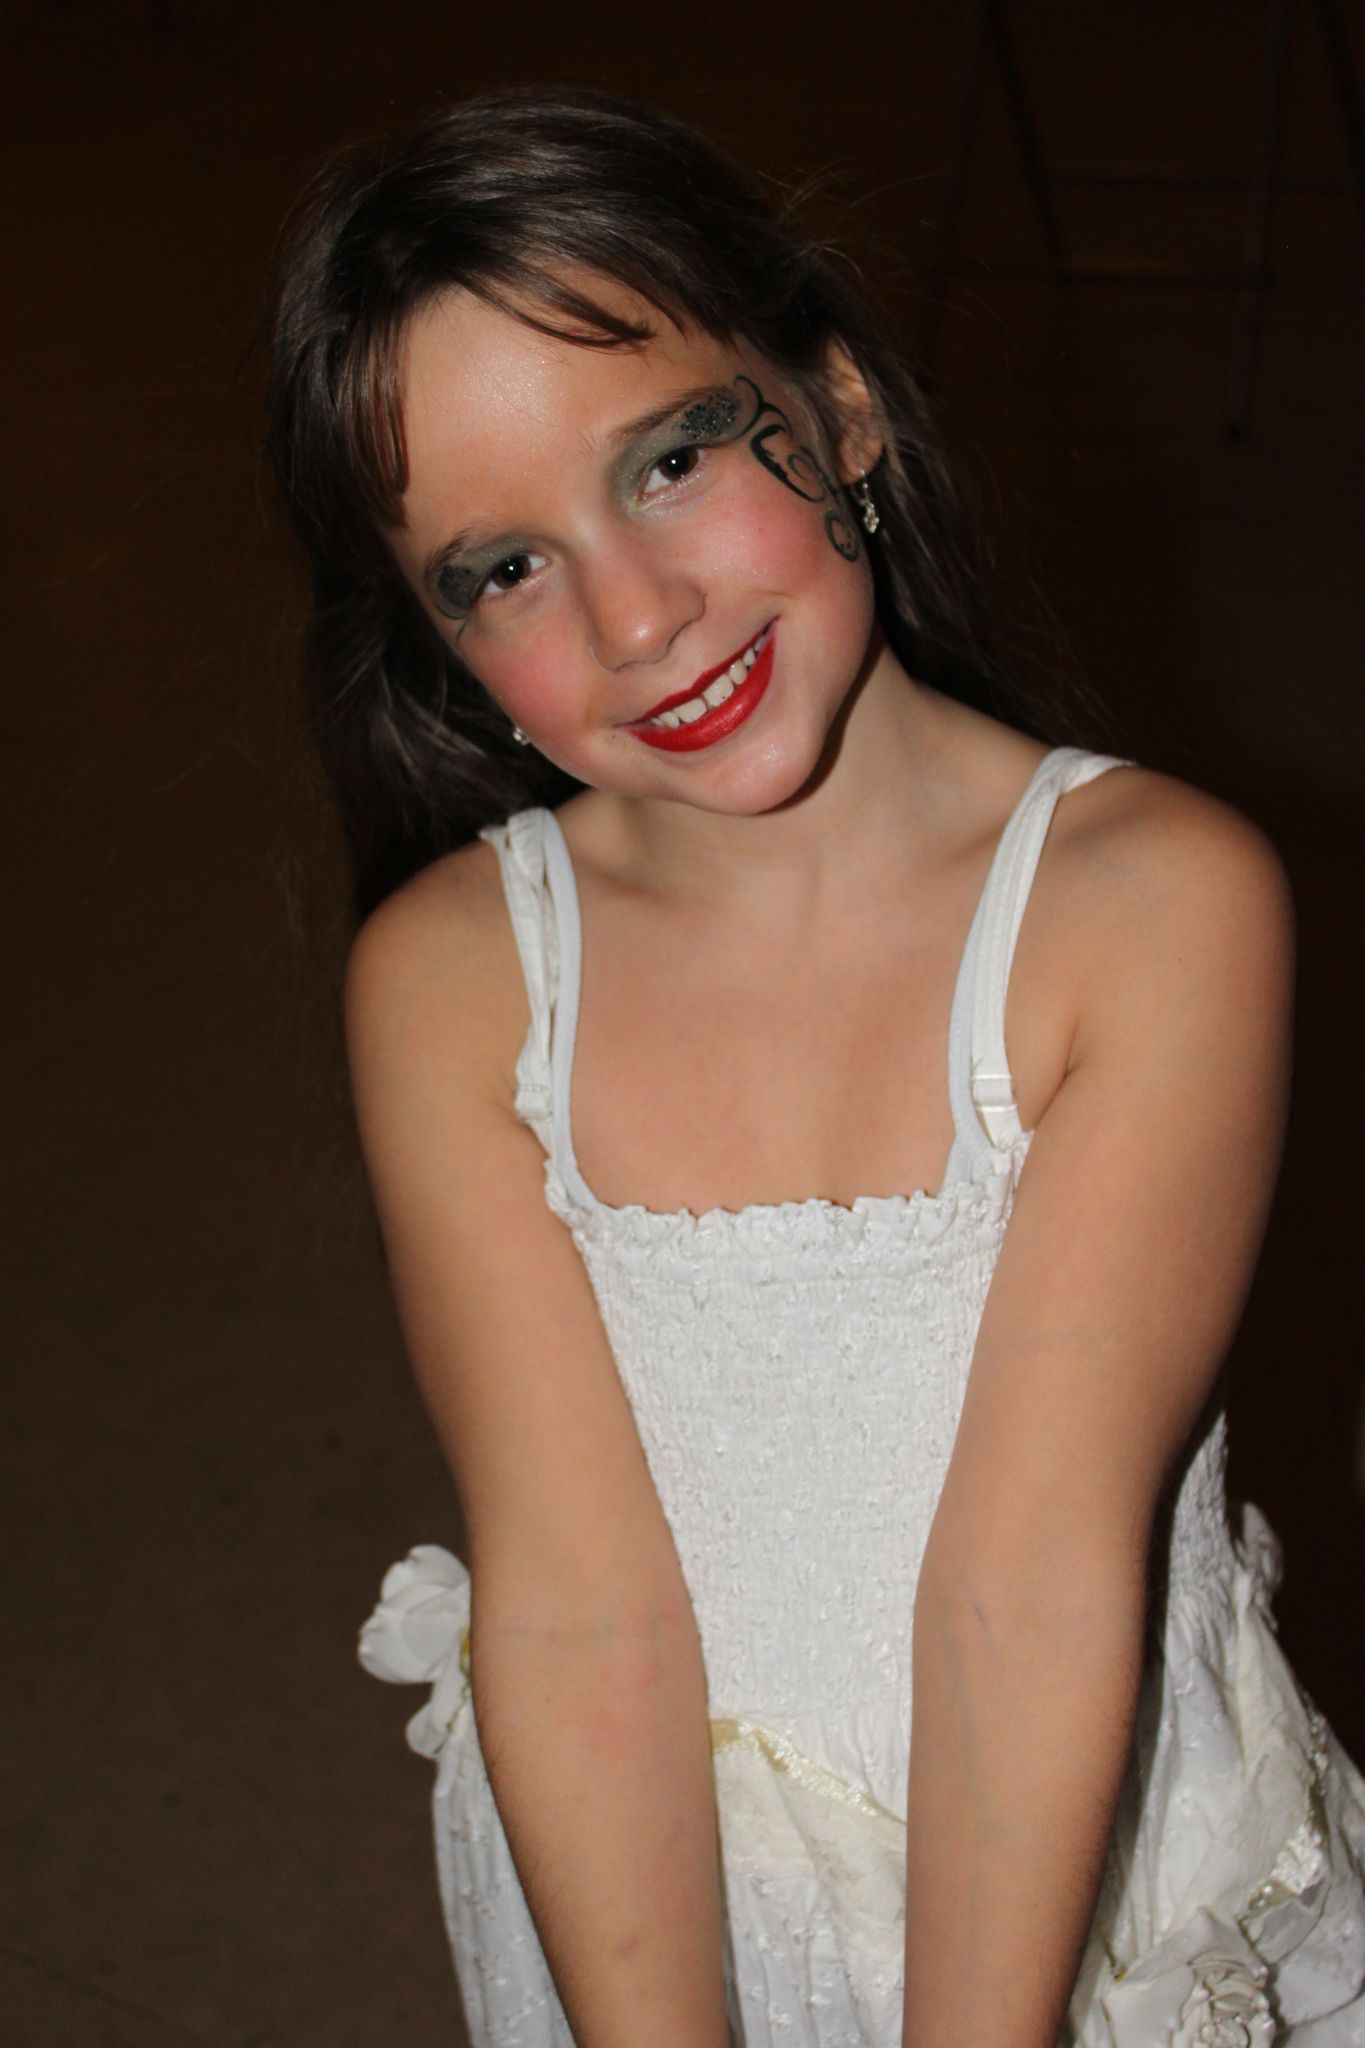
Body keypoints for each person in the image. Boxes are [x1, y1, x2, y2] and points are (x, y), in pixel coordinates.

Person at [266, 85, 1365, 2048]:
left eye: (672, 458)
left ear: (839, 407)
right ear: (437, 646)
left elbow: (1024, 1590)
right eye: (500, 569)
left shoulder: (1147, 911)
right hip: (651, 1917)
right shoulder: (455, 982)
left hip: (1067, 1900)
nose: (635, 615)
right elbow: (575, 1608)